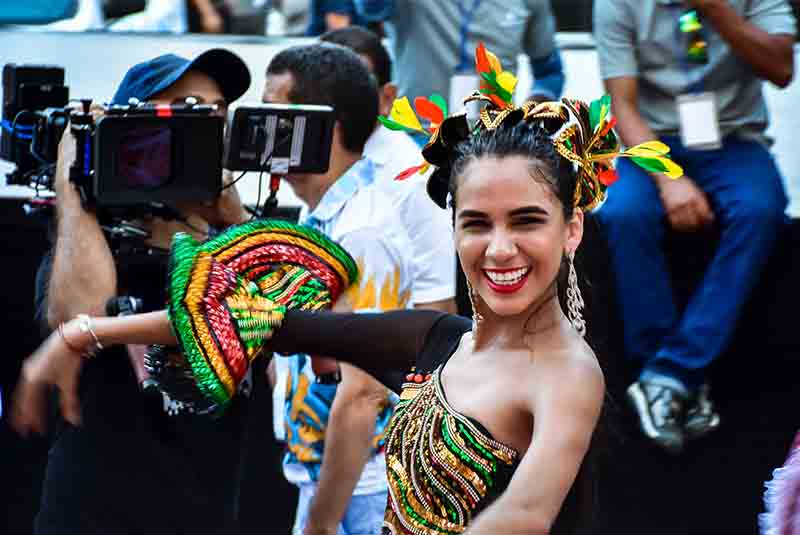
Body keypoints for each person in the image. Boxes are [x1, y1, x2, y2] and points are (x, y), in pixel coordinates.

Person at [13, 45, 678, 534]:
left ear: (572, 229)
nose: (497, 247)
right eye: (475, 222)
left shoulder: (566, 372)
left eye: (526, 220)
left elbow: (525, 514)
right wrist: (82, 327)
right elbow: (273, 323)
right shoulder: (435, 339)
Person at [27, 49, 253, 535]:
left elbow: (298, 313)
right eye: (187, 106)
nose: (207, 123)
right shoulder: (88, 241)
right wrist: (76, 175)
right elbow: (82, 314)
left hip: (203, 517)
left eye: (217, 112)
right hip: (91, 518)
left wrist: (234, 219)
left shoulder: (235, 244)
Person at [593, 0, 796, 453]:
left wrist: (717, 11)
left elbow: (782, 68)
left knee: (760, 209)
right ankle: (661, 368)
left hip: (733, 141)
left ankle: (673, 372)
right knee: (623, 213)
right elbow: (622, 106)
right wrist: (669, 178)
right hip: (653, 140)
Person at [262, 43, 415, 535]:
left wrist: (321, 524)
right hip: (328, 477)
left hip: (360, 491)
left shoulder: (362, 230)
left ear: (321, 128)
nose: (262, 132)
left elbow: (364, 393)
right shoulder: (323, 212)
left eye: (277, 117)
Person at [320, 26, 457, 313]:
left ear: (387, 97)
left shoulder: (413, 177)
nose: (341, 105)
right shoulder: (316, 156)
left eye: (354, 89)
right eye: (326, 91)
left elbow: (436, 303)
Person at [347, 0, 566, 137]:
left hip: (492, 145)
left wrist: (524, 120)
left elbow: (549, 73)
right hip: (417, 140)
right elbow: (370, 9)